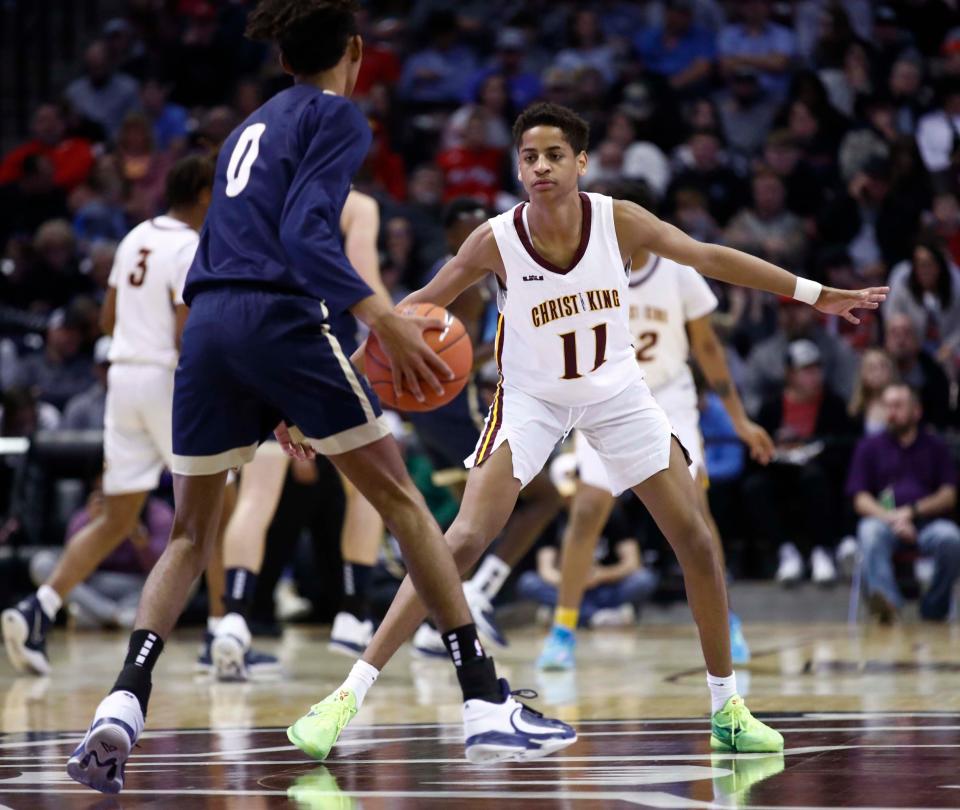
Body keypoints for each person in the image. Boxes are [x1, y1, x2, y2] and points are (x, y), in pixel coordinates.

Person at [66, 3, 575, 795]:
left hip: (208, 329)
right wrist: (381, 320)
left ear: (282, 61)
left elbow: (238, 242)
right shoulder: (338, 116)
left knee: (191, 535)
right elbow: (307, 236)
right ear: (356, 53)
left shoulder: (245, 129)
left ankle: (125, 698)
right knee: (405, 504)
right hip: (278, 318)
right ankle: (482, 700)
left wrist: (267, 393)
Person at [299, 99, 885, 760]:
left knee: (695, 536)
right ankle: (345, 696)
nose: (541, 166)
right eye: (529, 156)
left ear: (582, 162)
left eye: (554, 154)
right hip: (531, 400)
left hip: (616, 394)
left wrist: (815, 293)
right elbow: (407, 314)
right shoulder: (495, 238)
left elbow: (710, 255)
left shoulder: (619, 220)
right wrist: (323, 396)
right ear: (518, 167)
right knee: (460, 539)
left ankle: (727, 707)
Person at [1, 157, 252, 677]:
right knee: (219, 499)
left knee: (118, 516)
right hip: (165, 379)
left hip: (122, 380)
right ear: (204, 195)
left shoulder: (137, 235)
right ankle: (220, 631)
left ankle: (38, 608)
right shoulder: (190, 246)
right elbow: (189, 336)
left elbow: (109, 318)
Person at [536, 242, 774, 671]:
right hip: (610, 394)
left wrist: (738, 419)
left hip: (669, 396)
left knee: (696, 511)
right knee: (588, 508)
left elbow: (707, 348)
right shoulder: (591, 269)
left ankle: (728, 620)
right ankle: (563, 628)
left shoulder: (679, 272)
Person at [209, 189, 392, 678]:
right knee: (370, 491)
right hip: (323, 354)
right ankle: (353, 615)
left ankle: (233, 620)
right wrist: (402, 328)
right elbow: (362, 283)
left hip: (258, 345)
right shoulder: (356, 204)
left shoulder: (262, 197)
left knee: (256, 497)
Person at [743, 339, 856, 585]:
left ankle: (822, 551)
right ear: (789, 374)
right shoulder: (771, 407)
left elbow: (844, 449)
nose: (813, 375)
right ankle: (786, 552)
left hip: (819, 474)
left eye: (816, 369)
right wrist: (777, 449)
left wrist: (815, 448)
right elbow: (756, 452)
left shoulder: (833, 404)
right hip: (780, 474)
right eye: (806, 370)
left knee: (814, 478)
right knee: (754, 487)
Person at [846, 383, 960, 624]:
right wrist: (891, 518)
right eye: (887, 406)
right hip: (885, 522)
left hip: (927, 523)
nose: (891, 412)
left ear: (916, 411)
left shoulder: (935, 446)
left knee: (951, 538)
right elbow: (860, 498)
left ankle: (934, 608)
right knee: (868, 531)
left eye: (898, 406)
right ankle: (889, 607)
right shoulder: (869, 447)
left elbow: (949, 494)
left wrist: (912, 512)